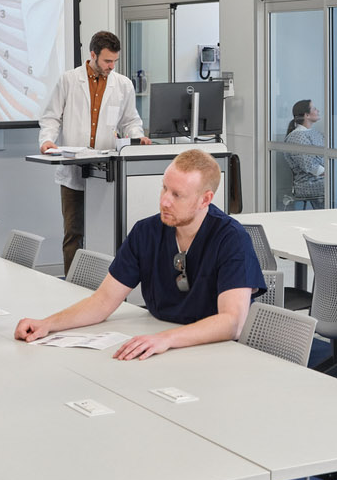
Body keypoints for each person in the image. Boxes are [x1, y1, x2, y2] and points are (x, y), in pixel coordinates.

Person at [14, 147, 263, 360]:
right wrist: (47, 324)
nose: (164, 201)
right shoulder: (146, 232)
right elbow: (103, 301)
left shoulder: (231, 239)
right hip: (161, 343)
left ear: (205, 200)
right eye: (164, 189)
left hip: (215, 352)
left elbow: (231, 322)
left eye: (177, 195)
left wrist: (166, 339)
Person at [40, 30, 150, 272]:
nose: (111, 66)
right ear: (93, 55)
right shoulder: (69, 80)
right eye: (107, 61)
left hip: (106, 171)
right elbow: (51, 117)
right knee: (74, 233)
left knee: (106, 232)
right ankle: (72, 285)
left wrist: (137, 137)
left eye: (114, 61)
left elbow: (130, 121)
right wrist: (47, 140)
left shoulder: (123, 85)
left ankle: (104, 284)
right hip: (73, 171)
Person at [282, 99, 337, 210]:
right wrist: (332, 173)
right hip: (309, 182)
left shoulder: (312, 133)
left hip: (323, 177)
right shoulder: (297, 137)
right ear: (307, 115)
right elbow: (310, 166)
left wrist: (333, 171)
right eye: (314, 109)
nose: (318, 111)